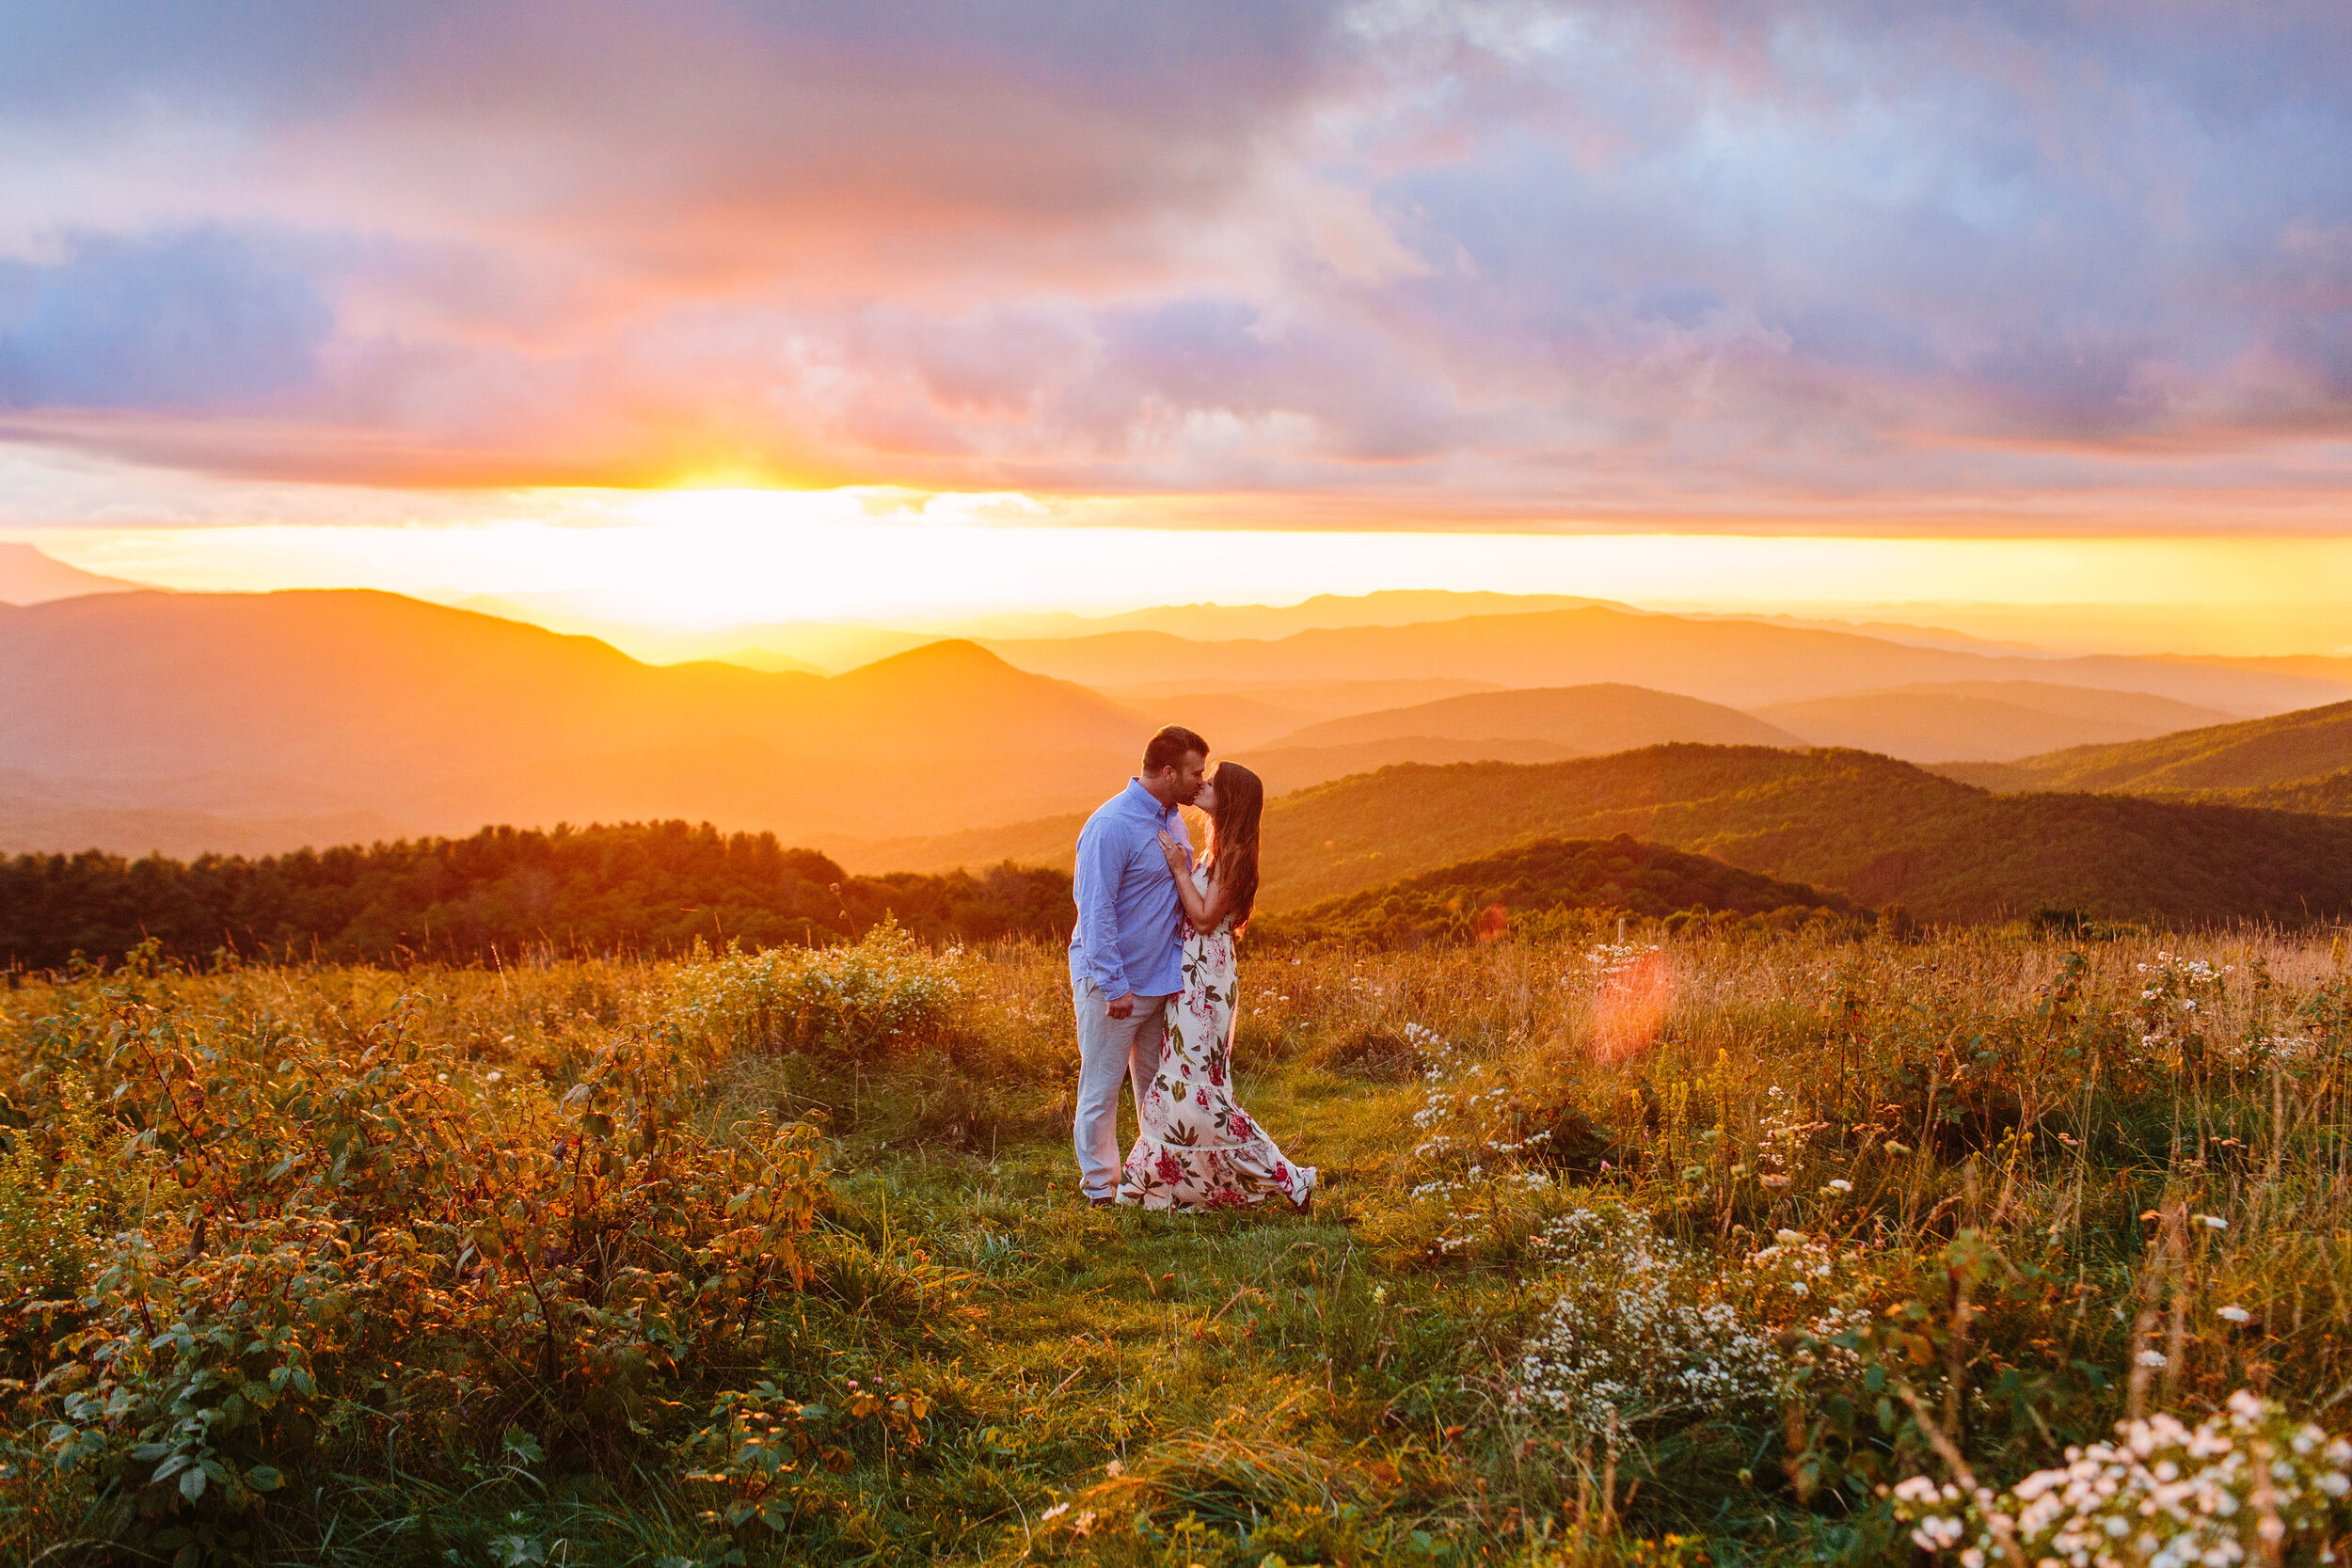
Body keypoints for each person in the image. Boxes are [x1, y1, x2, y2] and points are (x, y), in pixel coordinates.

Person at [1118, 761, 1316, 1212]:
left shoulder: (1236, 855)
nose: (1203, 784)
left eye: (1214, 782)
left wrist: (1177, 869)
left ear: (1232, 800)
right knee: (1184, 1084)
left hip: (1206, 977)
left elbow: (1205, 919)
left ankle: (1287, 1178)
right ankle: (1164, 1188)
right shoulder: (1221, 846)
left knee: (1200, 1091)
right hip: (1193, 973)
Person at [1068, 725, 1209, 1208]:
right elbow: (1096, 911)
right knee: (1101, 1090)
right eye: (1195, 772)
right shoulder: (1111, 825)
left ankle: (1149, 1181)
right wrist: (1113, 986)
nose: (1200, 782)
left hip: (1162, 982)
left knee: (1153, 1089)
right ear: (1168, 772)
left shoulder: (1174, 822)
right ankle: (1099, 1191)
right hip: (1115, 985)